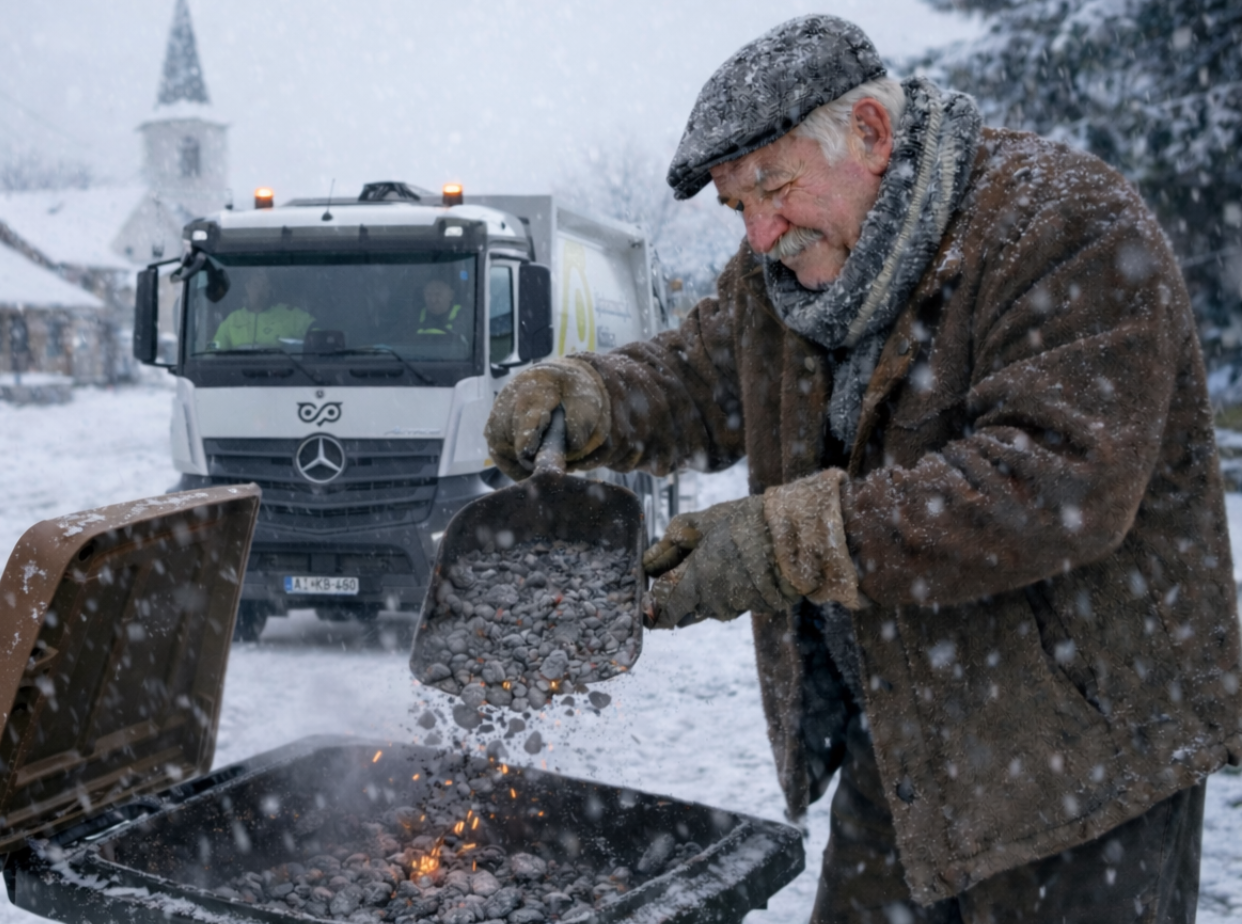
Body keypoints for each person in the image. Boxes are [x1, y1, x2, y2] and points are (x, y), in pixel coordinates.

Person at [484, 15, 1240, 923]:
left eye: (774, 188)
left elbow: (1053, 484)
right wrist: (592, 397)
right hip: (907, 737)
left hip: (1082, 757)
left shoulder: (1064, 226)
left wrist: (787, 543)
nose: (759, 234)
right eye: (737, 207)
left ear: (872, 138)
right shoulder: (788, 272)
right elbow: (701, 377)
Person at [209, 273, 313, 350]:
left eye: (264, 285)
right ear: (247, 287)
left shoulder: (290, 315)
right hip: (239, 376)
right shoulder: (233, 319)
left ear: (269, 290)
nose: (259, 291)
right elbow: (214, 350)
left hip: (280, 375)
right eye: (255, 285)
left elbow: (317, 334)